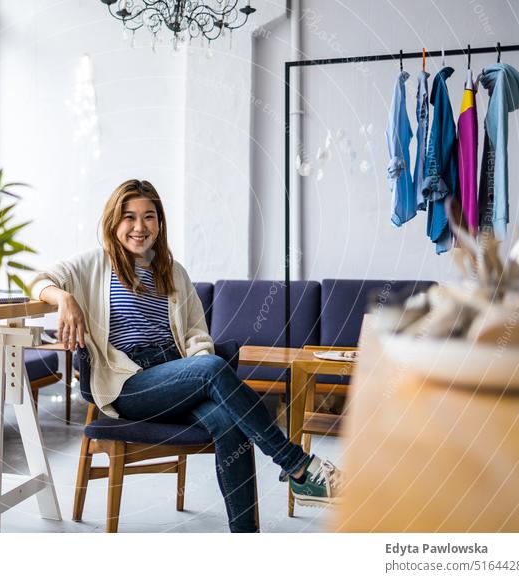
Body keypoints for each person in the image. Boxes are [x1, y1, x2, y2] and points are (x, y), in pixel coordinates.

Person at [31, 179, 341, 532]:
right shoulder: (94, 264)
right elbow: (40, 281)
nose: (139, 226)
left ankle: (247, 536)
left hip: (176, 377)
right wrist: (66, 299)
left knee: (229, 422)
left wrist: (196, 368)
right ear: (113, 222)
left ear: (159, 223)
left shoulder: (174, 272)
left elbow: (197, 335)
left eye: (149, 217)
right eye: (129, 217)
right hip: (128, 383)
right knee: (211, 368)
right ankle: (298, 466)